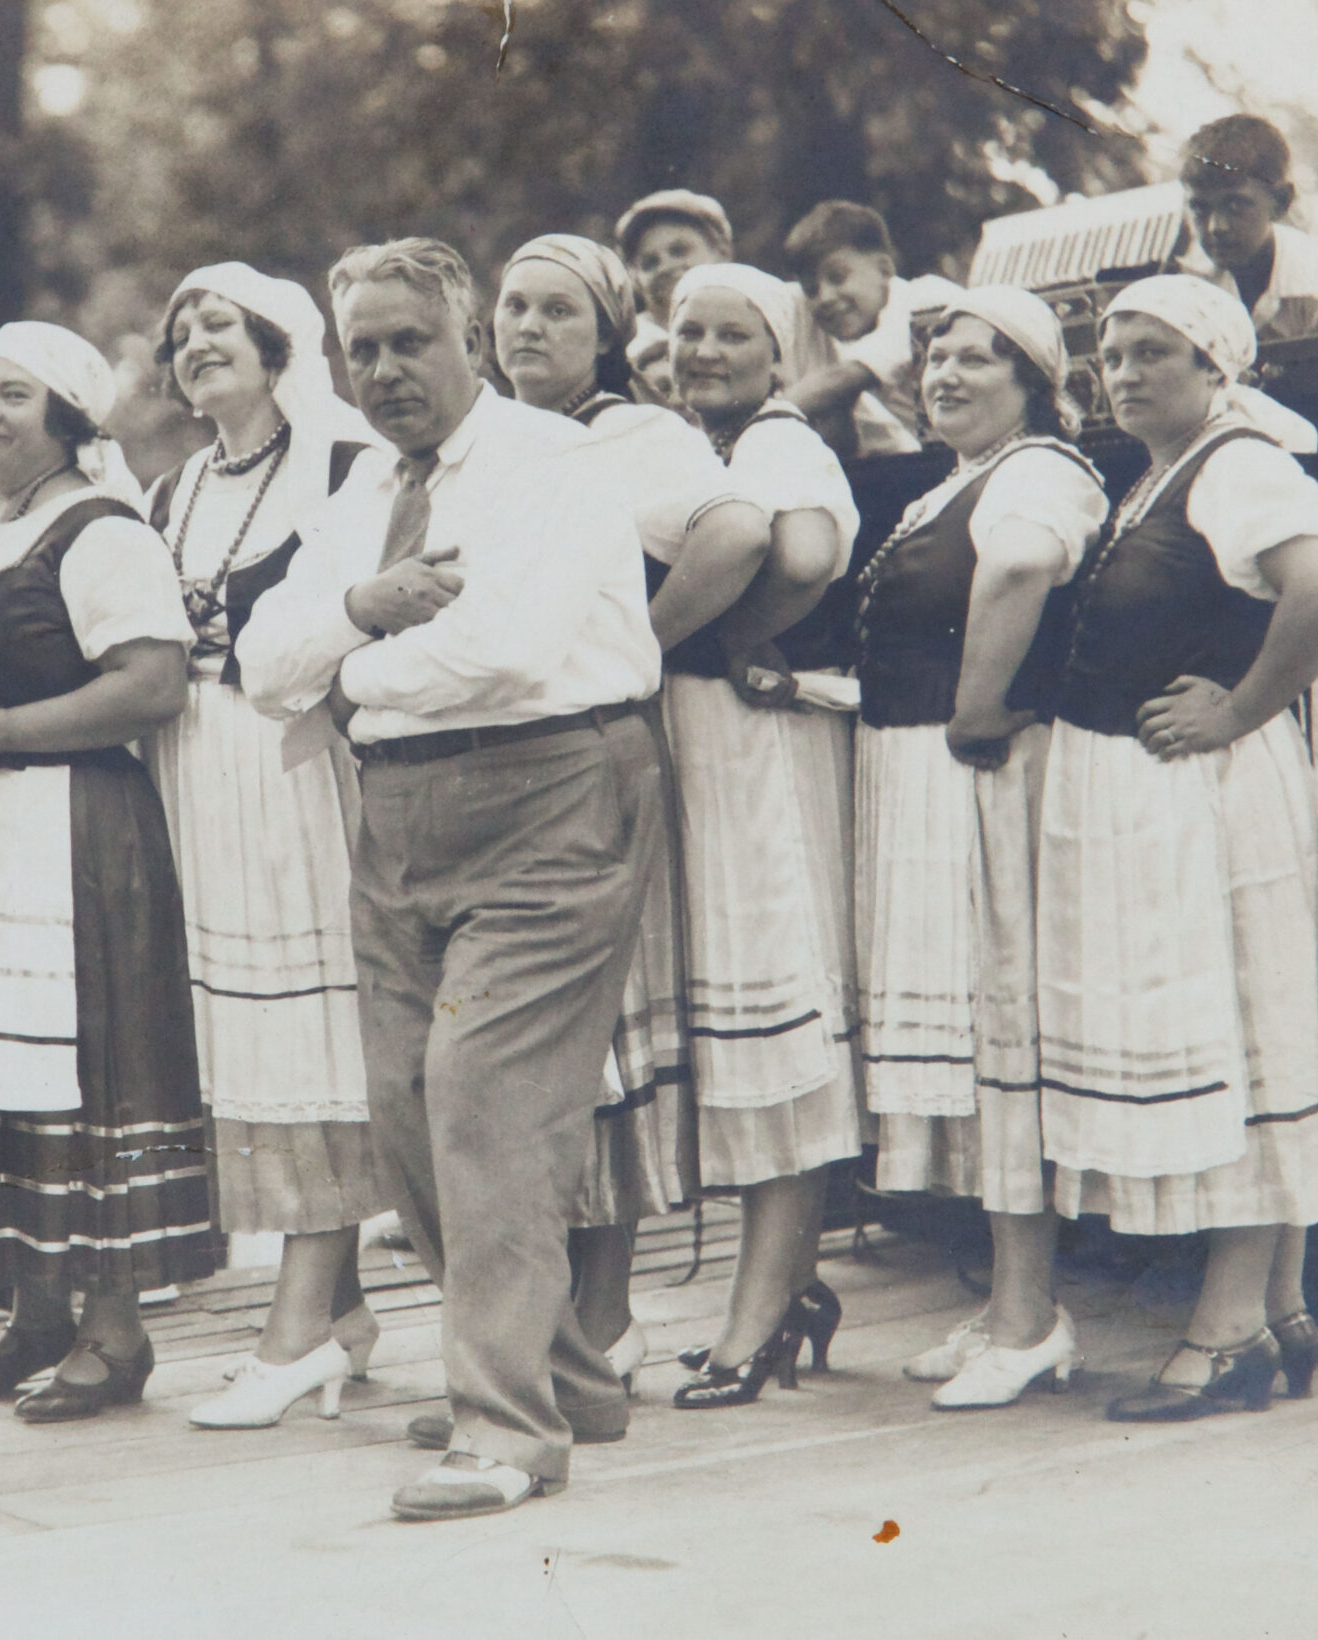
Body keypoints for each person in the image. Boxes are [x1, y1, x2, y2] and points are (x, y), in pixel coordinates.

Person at [240, 237, 663, 1521]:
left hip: (553, 790)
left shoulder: (552, 461)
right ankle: (563, 1371)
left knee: (483, 1098)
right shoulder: (364, 487)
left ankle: (504, 1427)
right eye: (360, 348)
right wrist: (369, 605)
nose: (382, 370)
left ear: (466, 336)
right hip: (400, 815)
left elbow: (509, 649)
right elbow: (262, 666)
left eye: (406, 342)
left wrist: (346, 665)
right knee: (405, 1111)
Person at [1039, 276, 1318, 1420]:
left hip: (1211, 797)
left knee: (1241, 1043)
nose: (1122, 371)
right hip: (1157, 806)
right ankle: (1277, 1303)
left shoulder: (1237, 462)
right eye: (1108, 353)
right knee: (1244, 1034)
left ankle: (1226, 1327)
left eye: (1150, 352)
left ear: (1214, 365)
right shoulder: (1162, 473)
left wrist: (1238, 706)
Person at [488, 233, 770, 1389]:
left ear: (606, 330)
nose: (526, 328)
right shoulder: (490, 439)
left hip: (590, 760)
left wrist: (632, 651)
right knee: (523, 1049)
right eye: (510, 306)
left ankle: (602, 1315)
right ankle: (535, 1323)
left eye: (557, 310)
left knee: (597, 1033)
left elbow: (741, 532)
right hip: (498, 763)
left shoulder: (633, 433)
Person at [0, 321, 216, 1423]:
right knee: (7, 1066)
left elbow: (152, 683)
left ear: (68, 421)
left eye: (14, 395)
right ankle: (36, 1312)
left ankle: (116, 1330)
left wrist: (1, 727)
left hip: (76, 825)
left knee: (86, 1066)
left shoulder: (101, 533)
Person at [848, 287, 1108, 1408]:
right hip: (925, 782)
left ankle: (1030, 1316)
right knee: (965, 1042)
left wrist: (972, 703)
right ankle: (1006, 1299)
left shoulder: (1040, 470)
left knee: (1003, 1036)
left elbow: (1016, 568)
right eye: (935, 357)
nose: (944, 375)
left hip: (982, 782)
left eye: (976, 361)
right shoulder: (955, 477)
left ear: (1034, 385)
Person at [138, 265, 386, 1430]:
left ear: (284, 342)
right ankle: (339, 1310)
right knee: (245, 1028)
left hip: (300, 773)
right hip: (201, 773)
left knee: (309, 1028)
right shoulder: (171, 487)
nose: (196, 343)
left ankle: (293, 1331)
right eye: (181, 332)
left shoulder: (344, 462)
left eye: (220, 324)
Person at [659, 262, 863, 1410]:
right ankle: (783, 1285)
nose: (705, 352)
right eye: (688, 332)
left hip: (757, 753)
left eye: (732, 335)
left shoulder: (781, 441)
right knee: (748, 1018)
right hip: (723, 749)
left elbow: (804, 558)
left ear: (779, 354)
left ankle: (761, 1311)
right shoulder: (716, 450)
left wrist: (732, 636)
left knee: (770, 1015)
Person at [780, 200, 963, 457]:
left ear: (884, 269)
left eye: (838, 277)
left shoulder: (925, 300)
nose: (825, 297)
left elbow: (841, 380)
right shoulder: (852, 339)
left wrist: (756, 427)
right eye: (811, 289)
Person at [615, 189, 827, 410]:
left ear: (722, 252)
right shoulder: (628, 350)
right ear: (635, 279)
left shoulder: (792, 304)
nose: (666, 267)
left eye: (679, 251)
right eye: (649, 262)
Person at [1178, 115, 1318, 342]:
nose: (1216, 227)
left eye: (1235, 206)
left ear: (1281, 202)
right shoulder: (1181, 278)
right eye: (1200, 208)